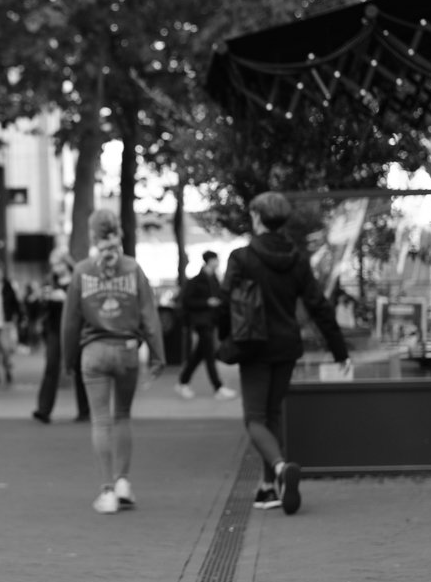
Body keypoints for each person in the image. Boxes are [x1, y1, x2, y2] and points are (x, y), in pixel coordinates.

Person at [227, 191, 350, 514]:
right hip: (285, 347)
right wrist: (339, 349)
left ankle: (280, 469)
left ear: (257, 218)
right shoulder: (297, 260)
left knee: (254, 419)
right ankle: (268, 489)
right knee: (273, 413)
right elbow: (317, 305)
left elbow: (227, 301)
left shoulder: (241, 259)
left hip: (254, 346)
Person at [62, 209, 165, 514]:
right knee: (122, 415)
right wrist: (158, 354)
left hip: (93, 352)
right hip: (127, 351)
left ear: (93, 236)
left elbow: (70, 321)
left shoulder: (82, 271)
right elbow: (149, 315)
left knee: (101, 421)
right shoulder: (133, 268)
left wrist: (69, 358)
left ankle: (107, 491)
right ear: (117, 231)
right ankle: (123, 483)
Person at [32, 256, 90, 423]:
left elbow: (85, 305)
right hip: (54, 330)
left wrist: (65, 298)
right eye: (53, 264)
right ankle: (43, 410)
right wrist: (42, 299)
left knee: (80, 368)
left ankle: (84, 411)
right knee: (51, 367)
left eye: (58, 263)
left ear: (66, 263)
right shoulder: (50, 282)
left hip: (76, 330)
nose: (55, 267)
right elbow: (40, 310)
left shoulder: (77, 281)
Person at [175, 250, 237, 400]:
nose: (218, 262)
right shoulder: (197, 280)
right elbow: (187, 301)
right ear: (210, 261)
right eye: (216, 259)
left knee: (199, 355)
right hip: (201, 322)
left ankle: (183, 381)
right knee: (209, 355)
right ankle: (218, 387)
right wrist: (207, 302)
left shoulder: (214, 279)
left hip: (210, 321)